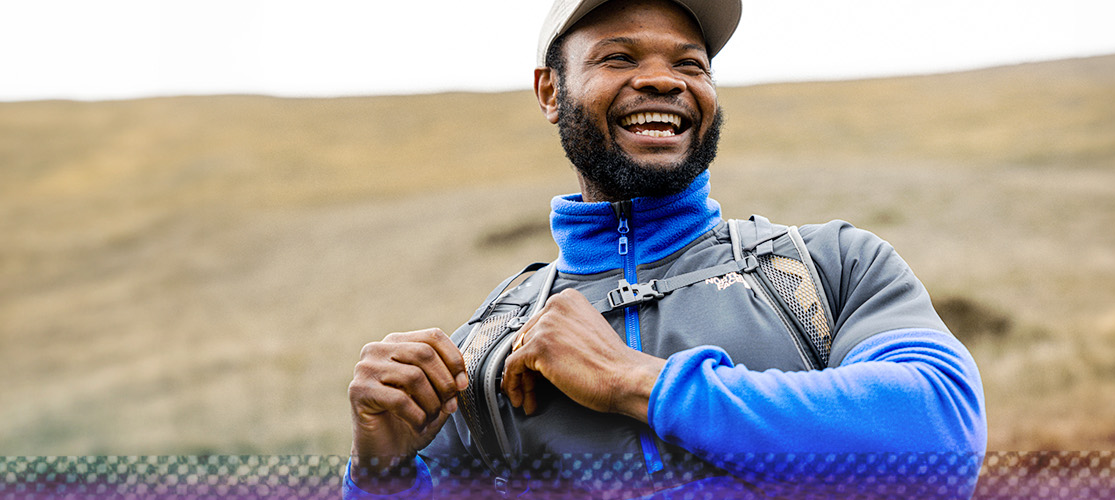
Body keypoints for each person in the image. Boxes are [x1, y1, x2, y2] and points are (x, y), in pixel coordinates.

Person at [344, 0, 985, 497]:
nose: (662, 81)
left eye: (689, 64)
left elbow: (941, 441)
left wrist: (633, 381)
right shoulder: (483, 352)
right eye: (619, 58)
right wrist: (381, 476)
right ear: (550, 91)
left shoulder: (827, 268)